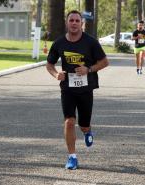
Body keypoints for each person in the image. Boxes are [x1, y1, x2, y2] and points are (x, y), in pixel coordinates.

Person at [46, 10, 108, 170]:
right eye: (71, 20)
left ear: (82, 23)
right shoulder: (59, 43)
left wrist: (89, 69)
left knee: (83, 124)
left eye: (77, 21)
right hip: (67, 89)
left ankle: (87, 132)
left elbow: (105, 61)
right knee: (69, 121)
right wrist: (56, 74)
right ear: (67, 23)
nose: (74, 23)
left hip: (86, 89)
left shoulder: (91, 42)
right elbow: (49, 64)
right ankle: (72, 157)